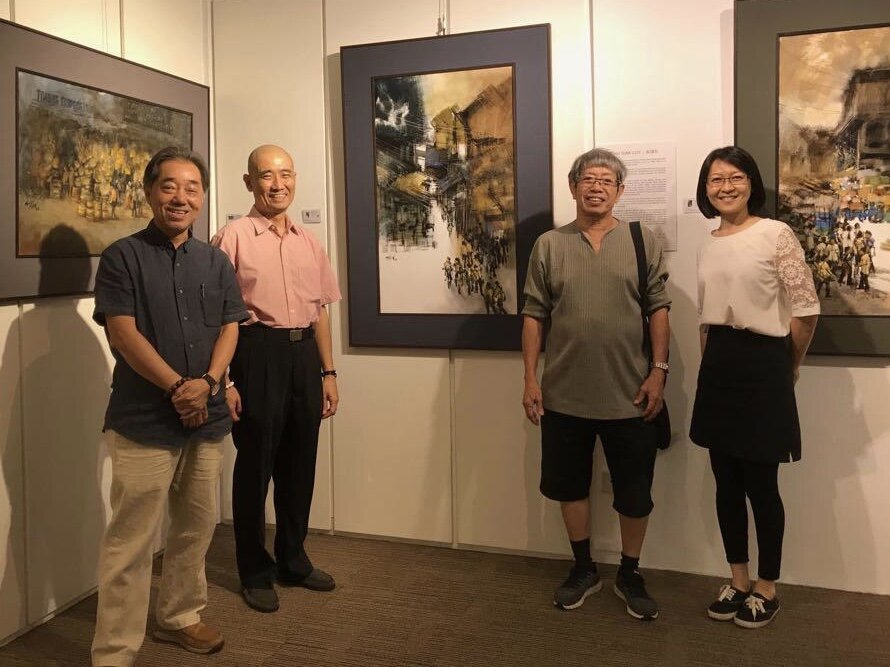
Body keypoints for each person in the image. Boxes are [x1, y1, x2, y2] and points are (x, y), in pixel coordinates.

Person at [91, 147, 247, 666]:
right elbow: (122, 331)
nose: (181, 197)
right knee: (130, 543)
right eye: (169, 186)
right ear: (149, 192)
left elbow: (230, 325)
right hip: (144, 420)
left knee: (195, 528)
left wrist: (208, 382)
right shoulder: (122, 256)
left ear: (202, 198)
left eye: (192, 188)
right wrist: (181, 387)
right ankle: (115, 649)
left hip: (207, 419)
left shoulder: (216, 260)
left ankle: (179, 616)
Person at [521, 148, 671, 619]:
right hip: (564, 393)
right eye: (588, 178)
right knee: (570, 486)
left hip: (631, 393)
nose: (597, 186)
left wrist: (659, 371)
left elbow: (659, 309)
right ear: (573, 187)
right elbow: (533, 314)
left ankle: (630, 571)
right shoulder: (549, 244)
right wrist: (530, 378)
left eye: (607, 180)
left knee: (634, 489)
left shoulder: (642, 238)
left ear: (621, 190)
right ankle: (583, 567)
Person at [690, 146, 819, 629]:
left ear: (751, 183)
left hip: (765, 363)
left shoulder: (776, 234)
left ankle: (767, 586)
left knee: (762, 485)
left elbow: (805, 310)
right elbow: (706, 318)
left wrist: (788, 367)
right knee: (726, 483)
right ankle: (737, 580)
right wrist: (708, 365)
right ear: (705, 189)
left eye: (734, 177)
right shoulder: (709, 242)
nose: (725, 186)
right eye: (715, 179)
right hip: (719, 365)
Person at [212, 144, 341, 614]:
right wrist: (224, 381)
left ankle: (293, 557)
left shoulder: (309, 241)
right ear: (249, 182)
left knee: (300, 461)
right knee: (255, 464)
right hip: (255, 352)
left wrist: (328, 371)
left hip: (304, 354)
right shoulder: (232, 237)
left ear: (295, 178)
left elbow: (320, 311)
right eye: (265, 175)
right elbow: (217, 318)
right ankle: (254, 568)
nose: (277, 183)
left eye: (285, 173)